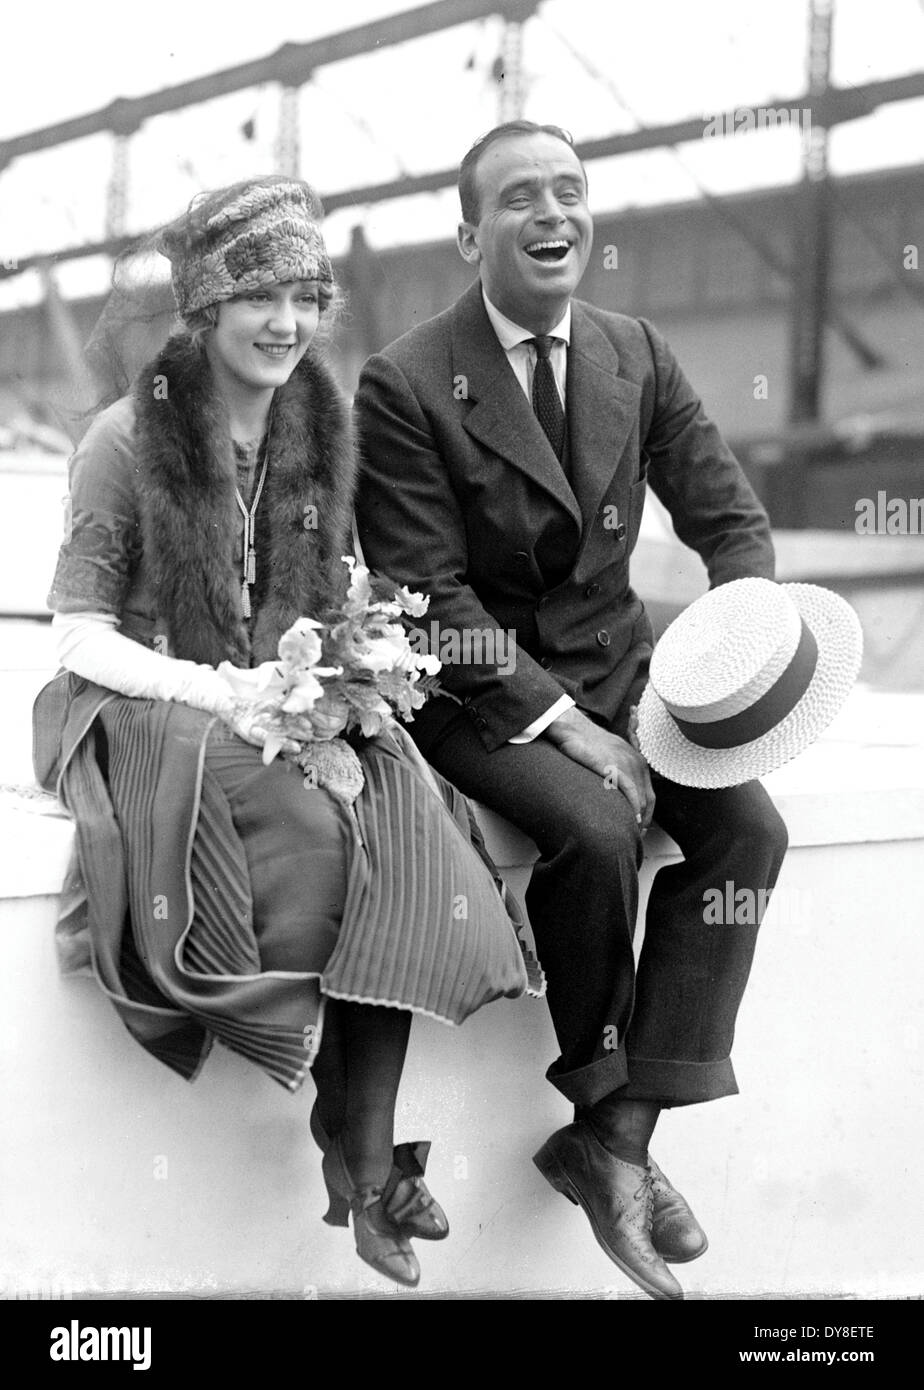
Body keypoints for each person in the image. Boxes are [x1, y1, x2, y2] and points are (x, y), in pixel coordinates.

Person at [33, 175, 535, 1292]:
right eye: (259, 295)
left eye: (307, 296)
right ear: (204, 311)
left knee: (400, 806)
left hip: (279, 684)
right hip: (143, 698)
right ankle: (362, 1159)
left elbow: (327, 581)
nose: (286, 322)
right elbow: (77, 638)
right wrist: (226, 695)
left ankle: (361, 1152)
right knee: (315, 828)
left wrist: (356, 651)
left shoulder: (323, 425)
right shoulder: (127, 440)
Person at [353, 122, 789, 1300]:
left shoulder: (633, 352)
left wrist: (728, 662)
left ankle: (620, 1135)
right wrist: (571, 727)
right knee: (593, 829)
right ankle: (600, 1106)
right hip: (477, 696)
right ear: (468, 234)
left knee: (751, 830)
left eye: (571, 192)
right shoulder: (403, 383)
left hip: (630, 681)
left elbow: (730, 524)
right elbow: (429, 598)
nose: (554, 215)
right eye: (520, 199)